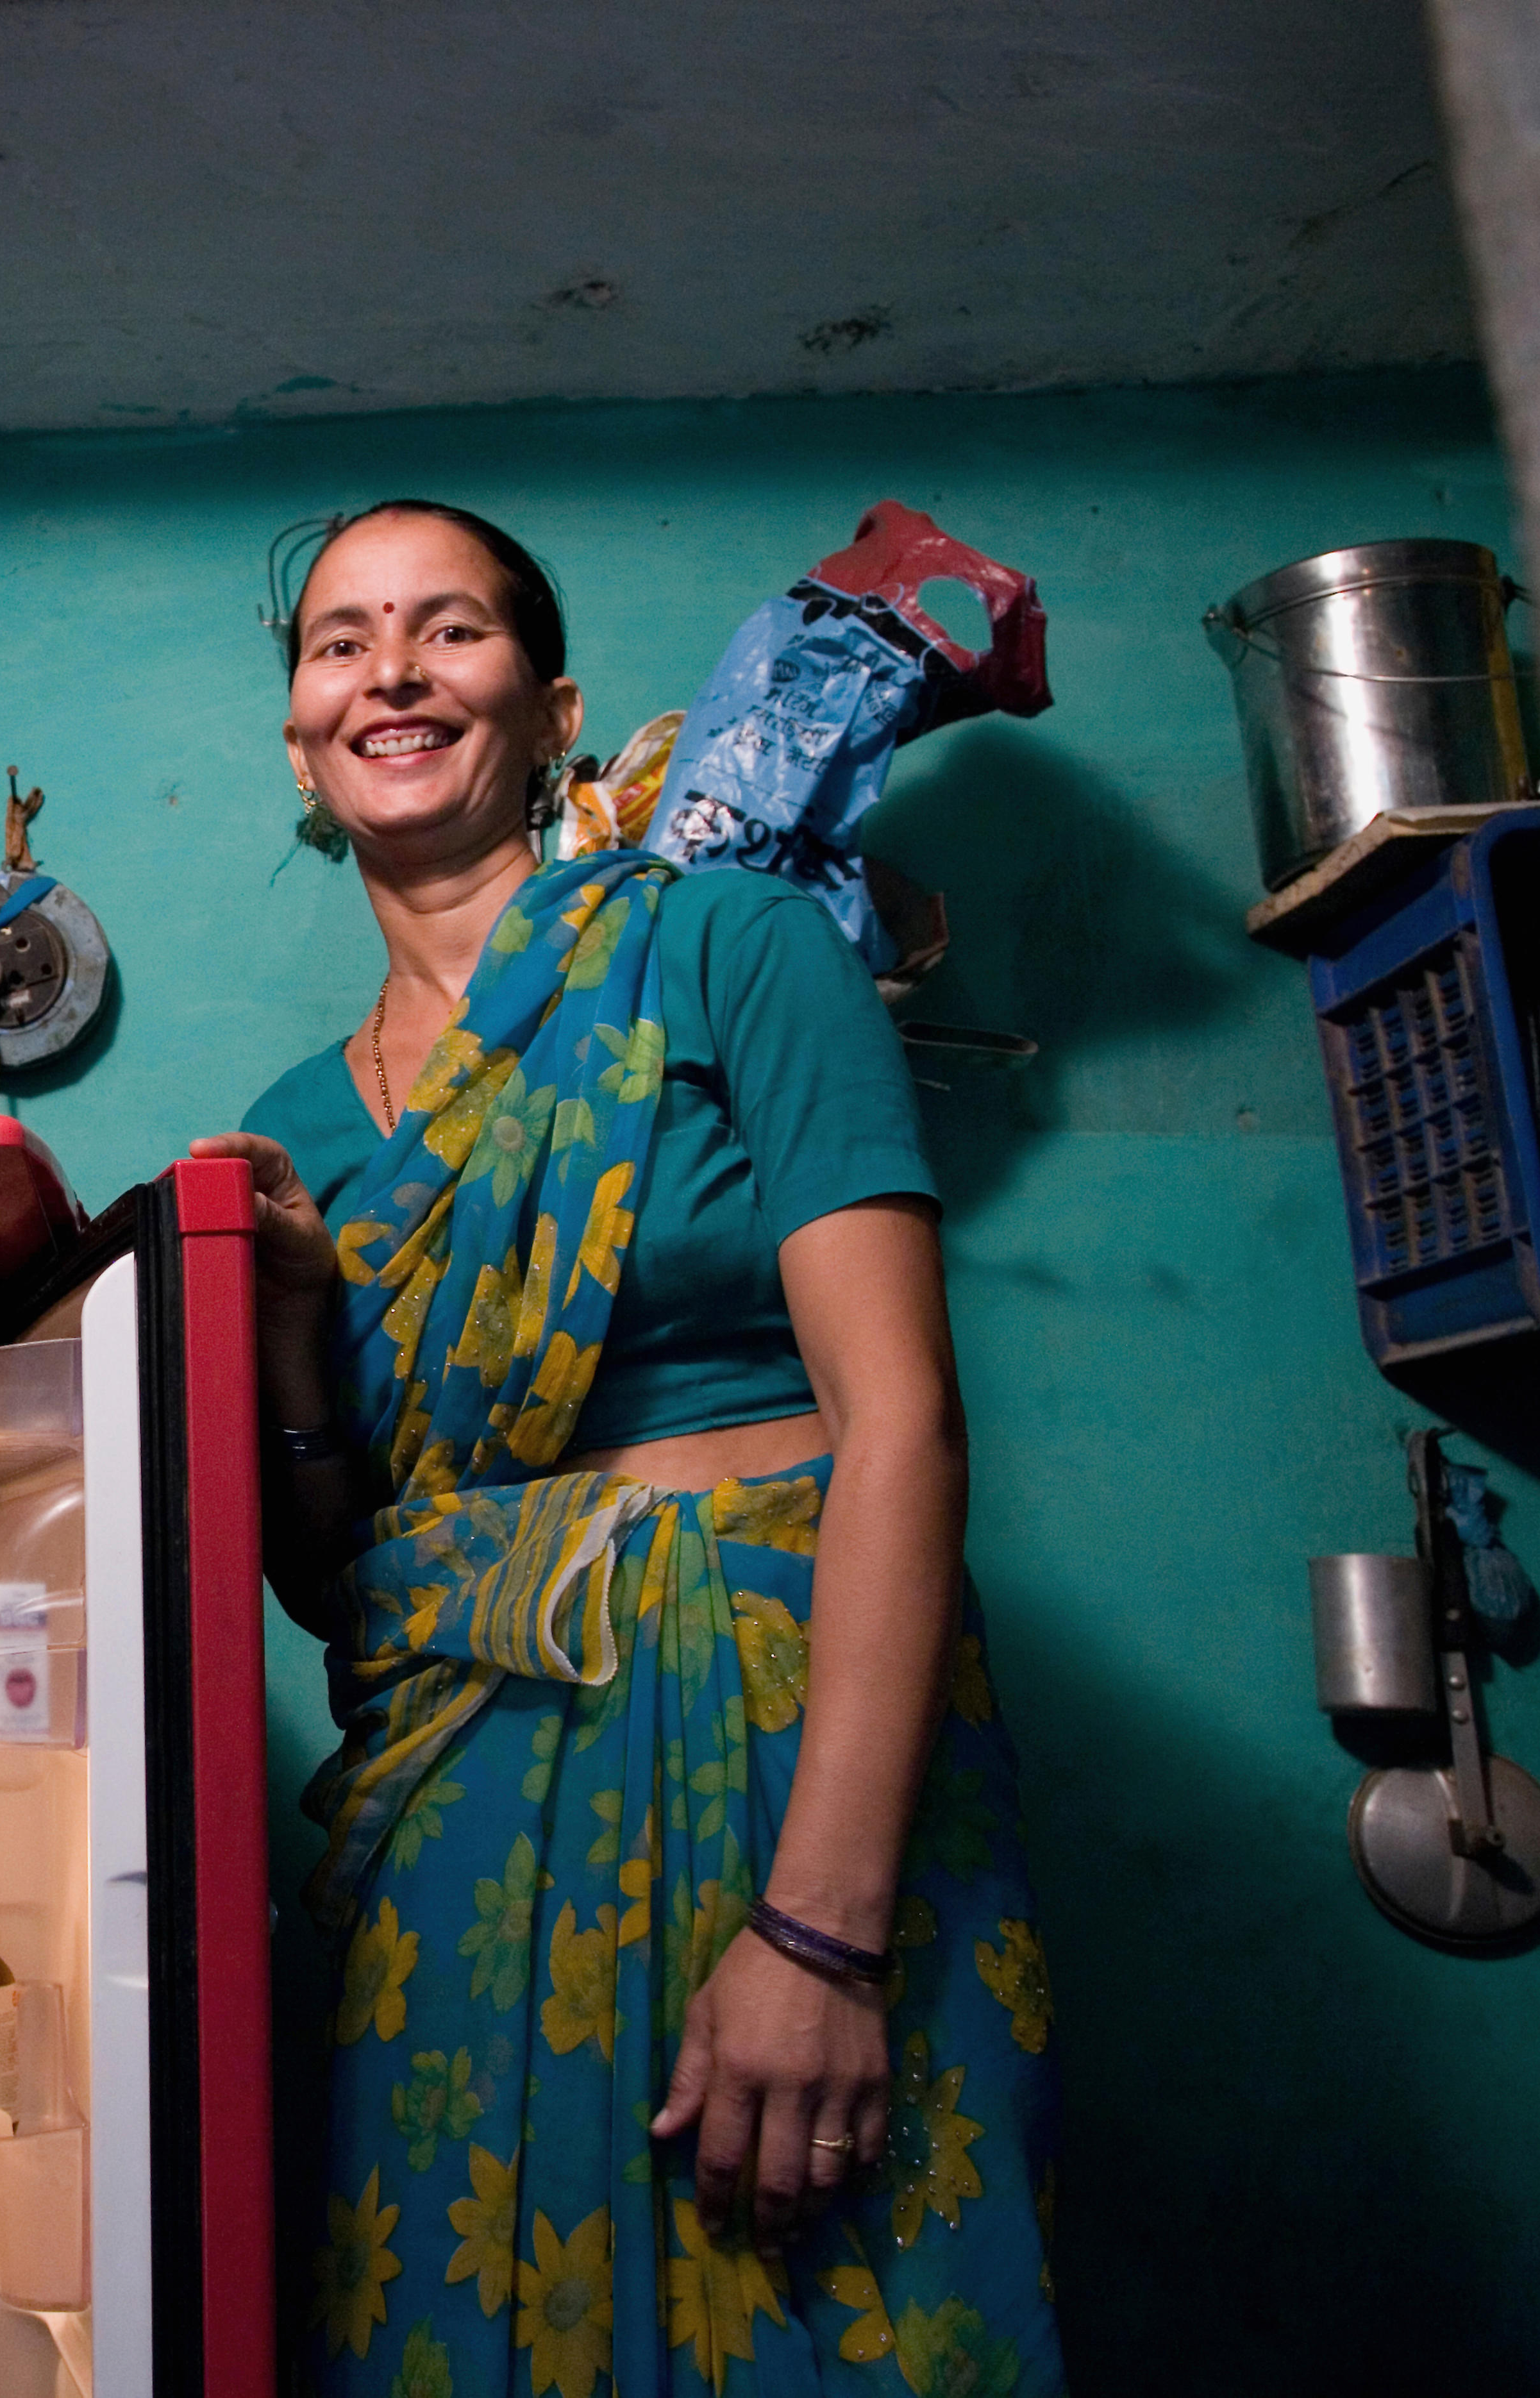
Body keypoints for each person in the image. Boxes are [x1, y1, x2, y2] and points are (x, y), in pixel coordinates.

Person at [190, 503, 1062, 2397]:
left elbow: (898, 1417)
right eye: (340, 644)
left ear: (551, 703)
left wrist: (820, 1934)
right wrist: (282, 1312)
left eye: (448, 632)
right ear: (298, 738)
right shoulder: (281, 1132)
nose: (391, 673)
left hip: (776, 1749)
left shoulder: (725, 947)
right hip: (454, 1808)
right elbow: (340, 1582)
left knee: (832, 2309)